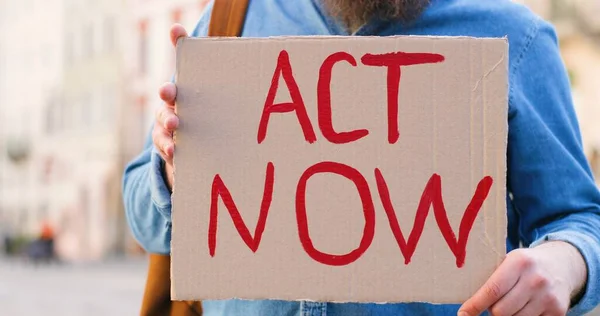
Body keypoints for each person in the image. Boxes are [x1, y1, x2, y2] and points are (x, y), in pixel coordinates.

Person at [123, 0, 600, 315]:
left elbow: (579, 216)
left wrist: (565, 263)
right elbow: (146, 221)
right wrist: (171, 169)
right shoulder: (227, 22)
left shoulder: (514, 36)